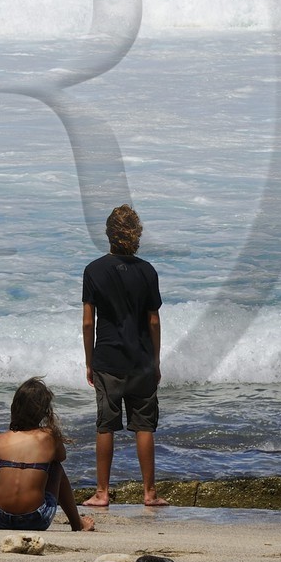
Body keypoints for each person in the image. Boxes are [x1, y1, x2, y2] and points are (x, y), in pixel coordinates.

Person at [81, 204, 167, 507]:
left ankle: (102, 492)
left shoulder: (93, 270)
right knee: (144, 426)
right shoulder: (147, 271)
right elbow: (153, 321)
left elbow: (88, 321)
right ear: (137, 234)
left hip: (107, 358)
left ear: (108, 234)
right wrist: (155, 361)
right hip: (141, 360)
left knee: (106, 425)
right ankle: (150, 493)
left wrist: (89, 361)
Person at [0, 377, 95, 532]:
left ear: (15, 407)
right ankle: (77, 524)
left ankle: (4, 506)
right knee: (56, 467)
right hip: (36, 519)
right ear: (44, 411)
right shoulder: (49, 437)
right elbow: (61, 456)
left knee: (1, 476)